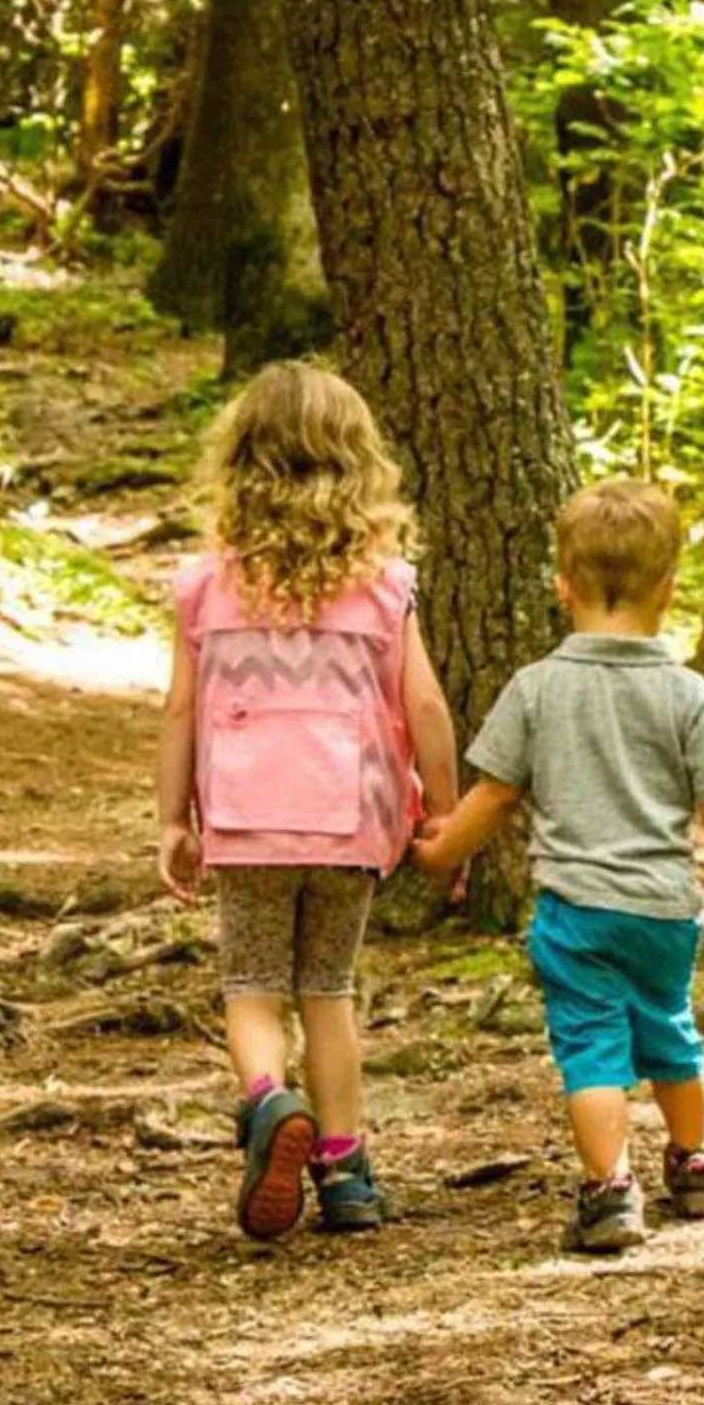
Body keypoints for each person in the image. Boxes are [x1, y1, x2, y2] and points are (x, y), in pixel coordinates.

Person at [412, 479, 704, 1255]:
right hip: (665, 909)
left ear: (561, 587)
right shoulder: (687, 694)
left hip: (575, 913)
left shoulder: (537, 688)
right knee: (671, 1033)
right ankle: (696, 1163)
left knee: (592, 1048)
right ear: (669, 590)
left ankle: (610, 1190)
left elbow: (496, 796)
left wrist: (439, 852)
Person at [157, 363, 460, 1240]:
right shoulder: (383, 584)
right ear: (355, 464)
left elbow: (179, 709)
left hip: (247, 819)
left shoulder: (205, 584)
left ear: (241, 461)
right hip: (350, 813)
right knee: (327, 989)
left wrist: (173, 820)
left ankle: (265, 1104)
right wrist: (443, 812)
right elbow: (427, 705)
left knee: (251, 983)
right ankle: (346, 1170)